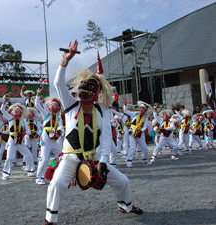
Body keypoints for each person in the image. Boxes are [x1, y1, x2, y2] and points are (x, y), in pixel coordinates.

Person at [43, 39, 142, 225]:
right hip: (70, 158)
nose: (83, 89)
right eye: (83, 86)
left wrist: (103, 162)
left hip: (94, 158)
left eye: (89, 88)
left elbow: (105, 140)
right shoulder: (70, 105)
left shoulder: (102, 111)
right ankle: (50, 220)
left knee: (123, 181)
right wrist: (66, 60)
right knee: (56, 184)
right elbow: (57, 83)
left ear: (96, 93)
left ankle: (125, 205)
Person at [0, 100, 36, 180]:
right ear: (12, 112)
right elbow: (2, 110)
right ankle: (5, 173)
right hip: (12, 141)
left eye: (18, 110)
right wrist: (4, 102)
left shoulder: (23, 121)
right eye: (14, 110)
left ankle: (31, 171)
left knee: (29, 155)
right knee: (9, 157)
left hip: (20, 141)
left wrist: (22, 133)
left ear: (20, 112)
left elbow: (29, 132)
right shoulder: (10, 118)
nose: (16, 111)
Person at [35, 86, 63, 185]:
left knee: (61, 155)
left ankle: (59, 173)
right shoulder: (46, 114)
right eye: (51, 104)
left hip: (54, 139)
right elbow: (37, 105)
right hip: (46, 138)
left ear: (58, 107)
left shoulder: (58, 118)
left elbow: (61, 127)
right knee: (44, 158)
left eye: (55, 104)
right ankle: (39, 177)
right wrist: (38, 93)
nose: (52, 105)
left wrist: (59, 132)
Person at [123, 99, 150, 168]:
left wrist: (141, 130)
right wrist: (125, 104)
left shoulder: (145, 118)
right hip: (132, 132)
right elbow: (126, 111)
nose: (141, 109)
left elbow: (145, 126)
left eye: (142, 108)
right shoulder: (135, 114)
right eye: (140, 108)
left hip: (139, 133)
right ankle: (129, 161)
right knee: (133, 147)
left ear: (145, 110)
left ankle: (145, 159)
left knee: (144, 148)